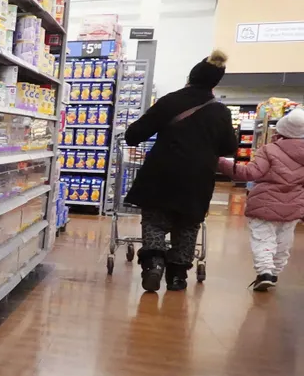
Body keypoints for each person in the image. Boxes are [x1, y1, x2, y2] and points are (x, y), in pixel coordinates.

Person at [123, 50, 237, 292]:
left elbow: (134, 135)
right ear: (214, 84)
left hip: (161, 174)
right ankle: (177, 277)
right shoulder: (221, 112)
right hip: (198, 180)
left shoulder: (170, 101)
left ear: (190, 77)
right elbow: (229, 147)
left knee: (154, 220)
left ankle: (153, 263)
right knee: (187, 225)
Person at [217, 108, 304, 291]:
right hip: (294, 206)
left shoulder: (270, 150)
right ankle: (275, 272)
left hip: (264, 203)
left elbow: (250, 173)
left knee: (263, 239)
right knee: (283, 242)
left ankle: (265, 272)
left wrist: (221, 162)